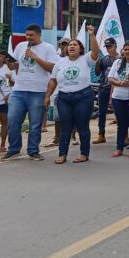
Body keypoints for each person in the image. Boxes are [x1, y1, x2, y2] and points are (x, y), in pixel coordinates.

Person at [45, 25, 100, 164]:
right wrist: (47, 96)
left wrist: (92, 35)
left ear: (80, 49)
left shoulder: (86, 59)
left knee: (82, 126)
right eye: (69, 45)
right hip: (64, 98)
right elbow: (53, 80)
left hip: (83, 97)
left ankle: (84, 153)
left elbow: (95, 51)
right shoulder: (60, 63)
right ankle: (62, 154)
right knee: (65, 126)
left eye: (75, 45)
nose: (71, 47)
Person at [4, 24, 59, 161]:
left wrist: (35, 57)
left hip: (38, 91)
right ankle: (14, 149)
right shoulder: (21, 46)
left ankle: (33, 150)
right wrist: (8, 63)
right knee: (12, 120)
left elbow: (52, 68)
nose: (28, 38)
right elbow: (15, 65)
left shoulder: (48, 48)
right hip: (19, 90)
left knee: (35, 123)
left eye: (31, 35)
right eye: (27, 35)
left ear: (39, 35)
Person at [109, 41, 129, 158]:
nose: (127, 52)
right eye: (125, 49)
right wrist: (119, 83)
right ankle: (119, 148)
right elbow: (110, 78)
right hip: (118, 97)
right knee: (121, 124)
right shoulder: (117, 63)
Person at [93, 38, 119, 145]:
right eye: (107, 47)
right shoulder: (103, 59)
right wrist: (97, 62)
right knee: (101, 112)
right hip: (104, 88)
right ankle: (101, 134)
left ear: (115, 46)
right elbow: (97, 73)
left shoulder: (120, 59)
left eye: (110, 46)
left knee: (119, 112)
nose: (109, 49)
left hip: (117, 88)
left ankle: (123, 135)